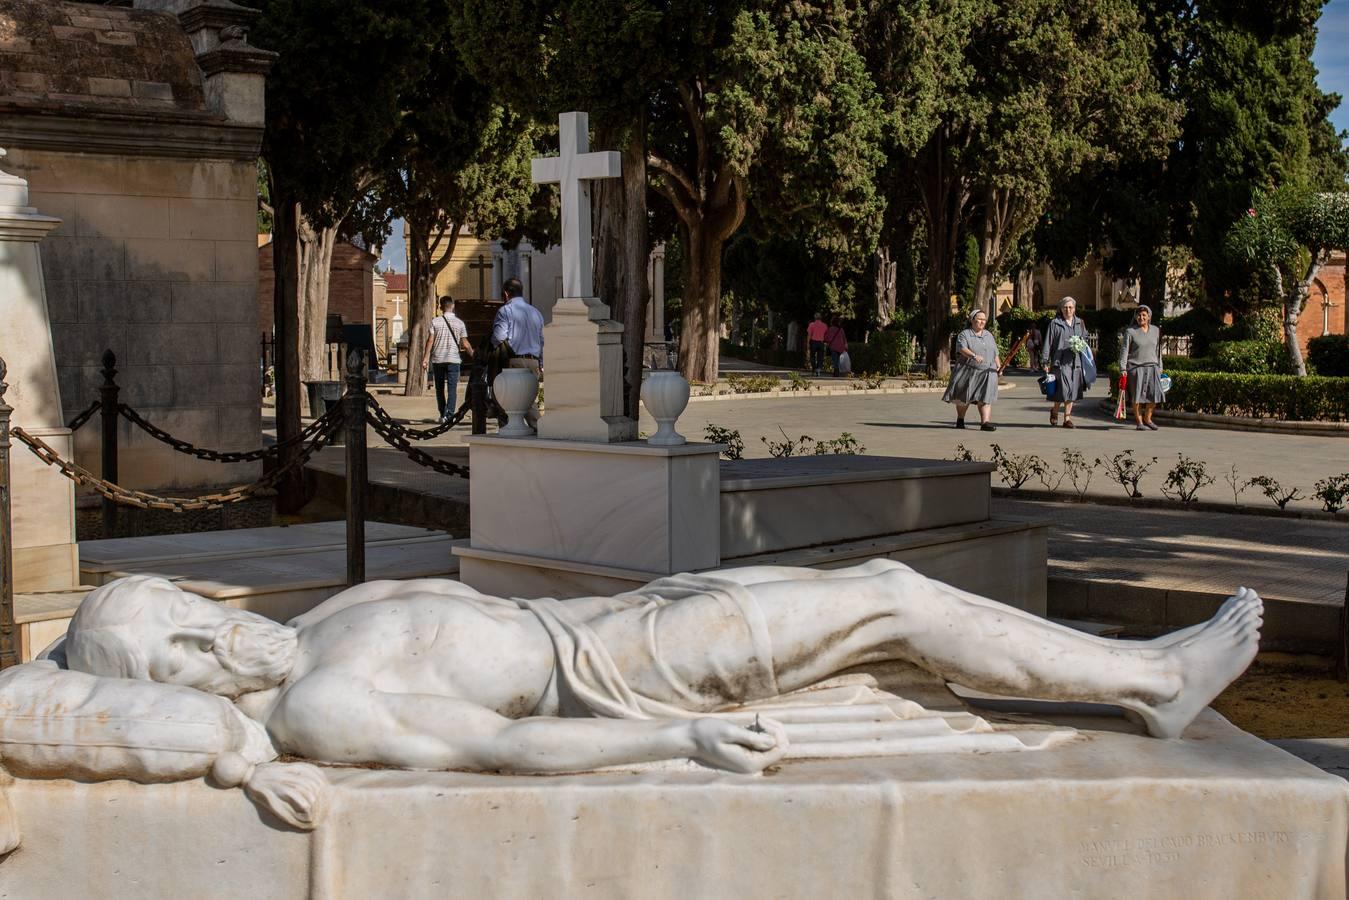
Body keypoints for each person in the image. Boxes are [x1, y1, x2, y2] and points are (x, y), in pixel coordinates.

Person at [62, 561, 1263, 775]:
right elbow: (498, 746)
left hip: (625, 617)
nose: (205, 629)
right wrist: (672, 741)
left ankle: (1144, 675)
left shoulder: (304, 630)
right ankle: (1157, 683)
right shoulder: (319, 704)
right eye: (176, 646)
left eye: (179, 605)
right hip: (637, 676)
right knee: (892, 598)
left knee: (890, 598)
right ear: (181, 686)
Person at [490, 277, 545, 429]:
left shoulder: (505, 311)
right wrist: (541, 364)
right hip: (533, 361)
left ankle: (509, 431)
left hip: (513, 361)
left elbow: (498, 337)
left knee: (506, 399)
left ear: (506, 294)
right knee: (528, 400)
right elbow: (542, 341)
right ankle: (538, 428)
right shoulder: (536, 312)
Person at [942, 309, 1000, 431]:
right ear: (972, 320)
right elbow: (962, 348)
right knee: (964, 398)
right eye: (979, 319)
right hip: (968, 371)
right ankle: (960, 419)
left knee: (986, 397)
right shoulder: (965, 334)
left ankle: (985, 423)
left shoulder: (988, 335)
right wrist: (974, 356)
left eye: (984, 319)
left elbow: (995, 352)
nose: (982, 321)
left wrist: (998, 365)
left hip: (987, 372)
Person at [421, 295, 473, 423]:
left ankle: (442, 413)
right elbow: (465, 343)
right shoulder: (460, 323)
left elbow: (430, 340)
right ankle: (449, 415)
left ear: (440, 307)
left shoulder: (435, 322)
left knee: (439, 389)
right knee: (452, 389)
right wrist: (473, 354)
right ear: (453, 306)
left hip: (438, 359)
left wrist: (426, 358)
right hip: (454, 360)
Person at [1040, 296, 1090, 428]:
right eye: (1065, 307)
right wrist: (1045, 361)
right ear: (1061, 309)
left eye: (1070, 307)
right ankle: (1055, 410)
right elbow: (1048, 343)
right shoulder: (1055, 323)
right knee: (1063, 390)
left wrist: (1081, 344)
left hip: (1076, 362)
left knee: (1072, 390)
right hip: (1060, 362)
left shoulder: (1080, 323)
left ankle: (1067, 419)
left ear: (1074, 309)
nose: (1068, 310)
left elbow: (1085, 338)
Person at [1121, 305, 1164, 431]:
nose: (1141, 317)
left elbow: (1158, 350)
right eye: (1139, 315)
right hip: (1135, 368)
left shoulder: (1156, 330)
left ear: (1149, 317)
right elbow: (1124, 351)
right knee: (1137, 396)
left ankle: (1148, 419)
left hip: (1153, 367)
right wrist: (1122, 368)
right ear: (1135, 317)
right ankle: (1139, 422)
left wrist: (1160, 366)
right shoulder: (1130, 331)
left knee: (1154, 395)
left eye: (1144, 315)